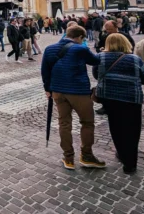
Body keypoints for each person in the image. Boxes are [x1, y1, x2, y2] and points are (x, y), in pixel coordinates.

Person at [41, 25, 104, 170]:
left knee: (64, 123)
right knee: (87, 123)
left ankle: (68, 158)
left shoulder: (50, 49)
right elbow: (95, 61)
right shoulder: (81, 48)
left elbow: (45, 70)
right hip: (78, 91)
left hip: (57, 90)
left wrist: (47, 89)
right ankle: (86, 156)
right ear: (80, 37)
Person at [93, 34, 144, 174]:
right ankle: (130, 164)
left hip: (110, 97)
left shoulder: (100, 57)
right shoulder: (135, 59)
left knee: (116, 127)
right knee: (133, 130)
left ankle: (122, 154)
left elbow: (95, 74)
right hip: (132, 98)